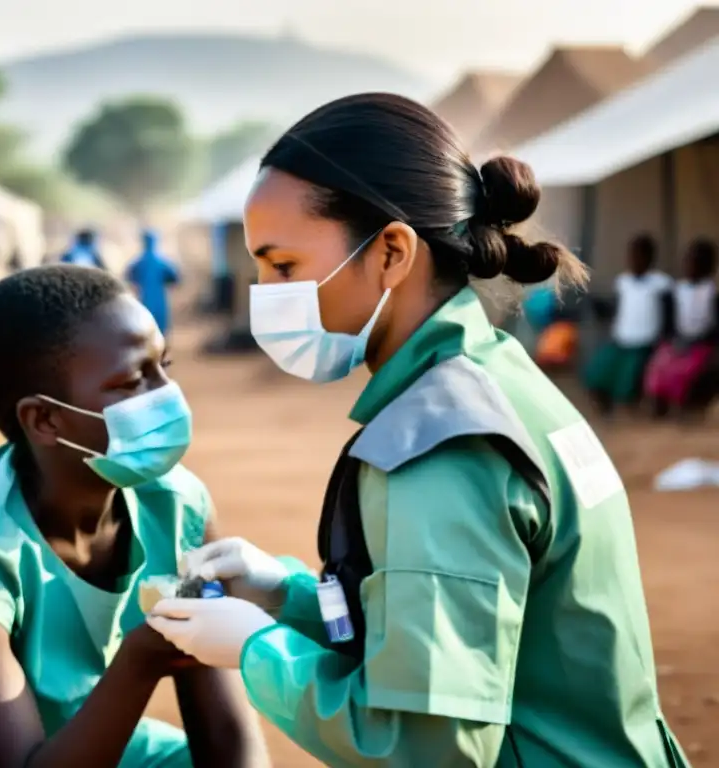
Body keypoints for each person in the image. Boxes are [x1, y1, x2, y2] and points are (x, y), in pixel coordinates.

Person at [146, 93, 689, 767]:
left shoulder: (441, 447)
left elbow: (434, 744)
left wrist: (260, 652)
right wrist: (281, 596)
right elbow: (458, 637)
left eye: (282, 266)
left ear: (393, 252)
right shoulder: (496, 379)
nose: (265, 294)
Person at [0, 265, 269, 768]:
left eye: (163, 365)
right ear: (44, 419)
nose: (166, 394)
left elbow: (227, 740)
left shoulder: (177, 505)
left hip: (98, 736)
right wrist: (141, 661)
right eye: (130, 382)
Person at [583, 234, 672, 414]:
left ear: (649, 258)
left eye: (639, 255)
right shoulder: (623, 282)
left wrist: (664, 340)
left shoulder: (661, 284)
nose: (634, 260)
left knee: (629, 379)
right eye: (632, 255)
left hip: (645, 342)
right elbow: (615, 310)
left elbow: (668, 316)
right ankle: (605, 410)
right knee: (598, 371)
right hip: (621, 340)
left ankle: (634, 408)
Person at [644, 238, 719, 417]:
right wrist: (673, 340)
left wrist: (700, 340)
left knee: (687, 370)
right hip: (677, 342)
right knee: (660, 365)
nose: (690, 266)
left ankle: (688, 405)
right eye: (688, 261)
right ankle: (659, 404)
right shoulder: (676, 291)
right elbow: (668, 323)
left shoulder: (712, 293)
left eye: (697, 262)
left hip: (701, 344)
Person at [125, 229, 181, 336]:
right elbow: (175, 277)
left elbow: (129, 276)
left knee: (146, 327)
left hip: (144, 298)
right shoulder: (162, 262)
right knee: (161, 328)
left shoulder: (138, 262)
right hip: (160, 299)